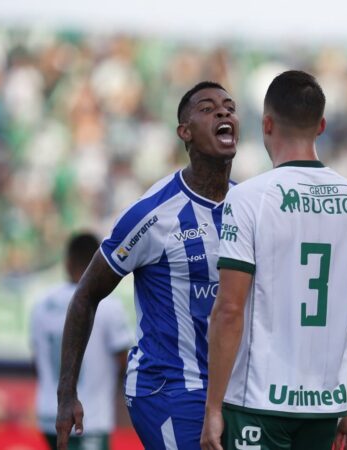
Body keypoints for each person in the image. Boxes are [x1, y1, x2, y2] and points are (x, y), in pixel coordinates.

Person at [200, 70, 347, 450]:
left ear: (266, 123)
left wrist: (213, 408)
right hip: (324, 408)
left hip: (257, 404)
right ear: (321, 125)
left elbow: (229, 311)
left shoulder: (249, 199)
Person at [55, 81, 239, 450]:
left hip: (230, 390)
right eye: (207, 108)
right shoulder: (152, 215)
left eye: (229, 107)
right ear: (184, 133)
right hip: (167, 389)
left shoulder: (249, 208)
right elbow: (86, 295)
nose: (223, 112)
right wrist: (66, 394)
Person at [31, 232, 132, 450]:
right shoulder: (109, 306)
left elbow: (36, 356)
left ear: (67, 263)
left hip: (49, 413)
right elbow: (124, 362)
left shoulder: (41, 305)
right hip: (88, 418)